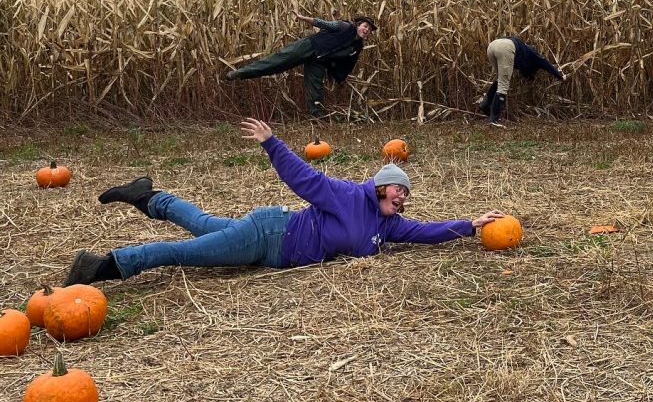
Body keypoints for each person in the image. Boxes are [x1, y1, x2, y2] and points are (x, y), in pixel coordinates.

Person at [62, 117, 505, 285]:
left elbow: (427, 233)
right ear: (379, 186)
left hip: (270, 246)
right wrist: (273, 143)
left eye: (407, 195)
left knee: (199, 223)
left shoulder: (387, 226)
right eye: (399, 190)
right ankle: (103, 266)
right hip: (270, 236)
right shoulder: (349, 196)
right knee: (185, 253)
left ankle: (149, 195)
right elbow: (305, 178)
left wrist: (471, 225)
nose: (403, 199)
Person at [226, 13, 376, 117]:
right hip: (309, 46)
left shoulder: (356, 47)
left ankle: (317, 116)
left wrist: (339, 77)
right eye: (365, 26)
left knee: (315, 87)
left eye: (369, 29)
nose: (367, 30)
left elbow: (346, 64)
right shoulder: (344, 27)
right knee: (277, 62)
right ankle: (240, 73)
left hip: (319, 60)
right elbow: (323, 23)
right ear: (358, 25)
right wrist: (302, 18)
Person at [479, 36, 565, 126]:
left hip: (492, 46)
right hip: (505, 48)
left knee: (500, 80)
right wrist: (560, 77)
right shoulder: (534, 54)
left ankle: (485, 105)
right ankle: (493, 120)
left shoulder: (524, 49)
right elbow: (546, 64)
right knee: (503, 86)